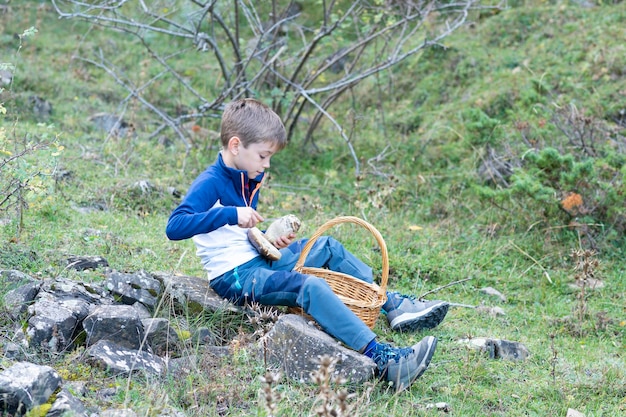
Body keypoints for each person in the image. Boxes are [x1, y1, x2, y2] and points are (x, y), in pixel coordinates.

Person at [165, 98, 449, 392]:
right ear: (236, 146)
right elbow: (175, 226)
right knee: (308, 286)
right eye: (263, 155)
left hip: (257, 257)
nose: (267, 163)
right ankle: (385, 360)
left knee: (325, 245)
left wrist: (267, 238)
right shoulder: (210, 182)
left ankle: (392, 305)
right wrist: (232, 213)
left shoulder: (249, 174)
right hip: (236, 276)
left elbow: (235, 233)